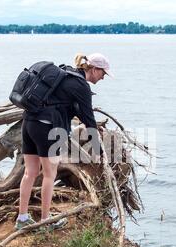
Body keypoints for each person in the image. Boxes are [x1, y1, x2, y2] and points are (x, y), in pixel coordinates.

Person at [15, 53, 113, 230]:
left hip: (29, 123)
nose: (104, 77)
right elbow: (89, 119)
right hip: (47, 127)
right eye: (103, 73)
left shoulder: (66, 73)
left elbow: (69, 106)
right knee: (49, 174)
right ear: (94, 69)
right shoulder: (81, 85)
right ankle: (45, 221)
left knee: (30, 172)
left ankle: (22, 218)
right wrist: (98, 149)